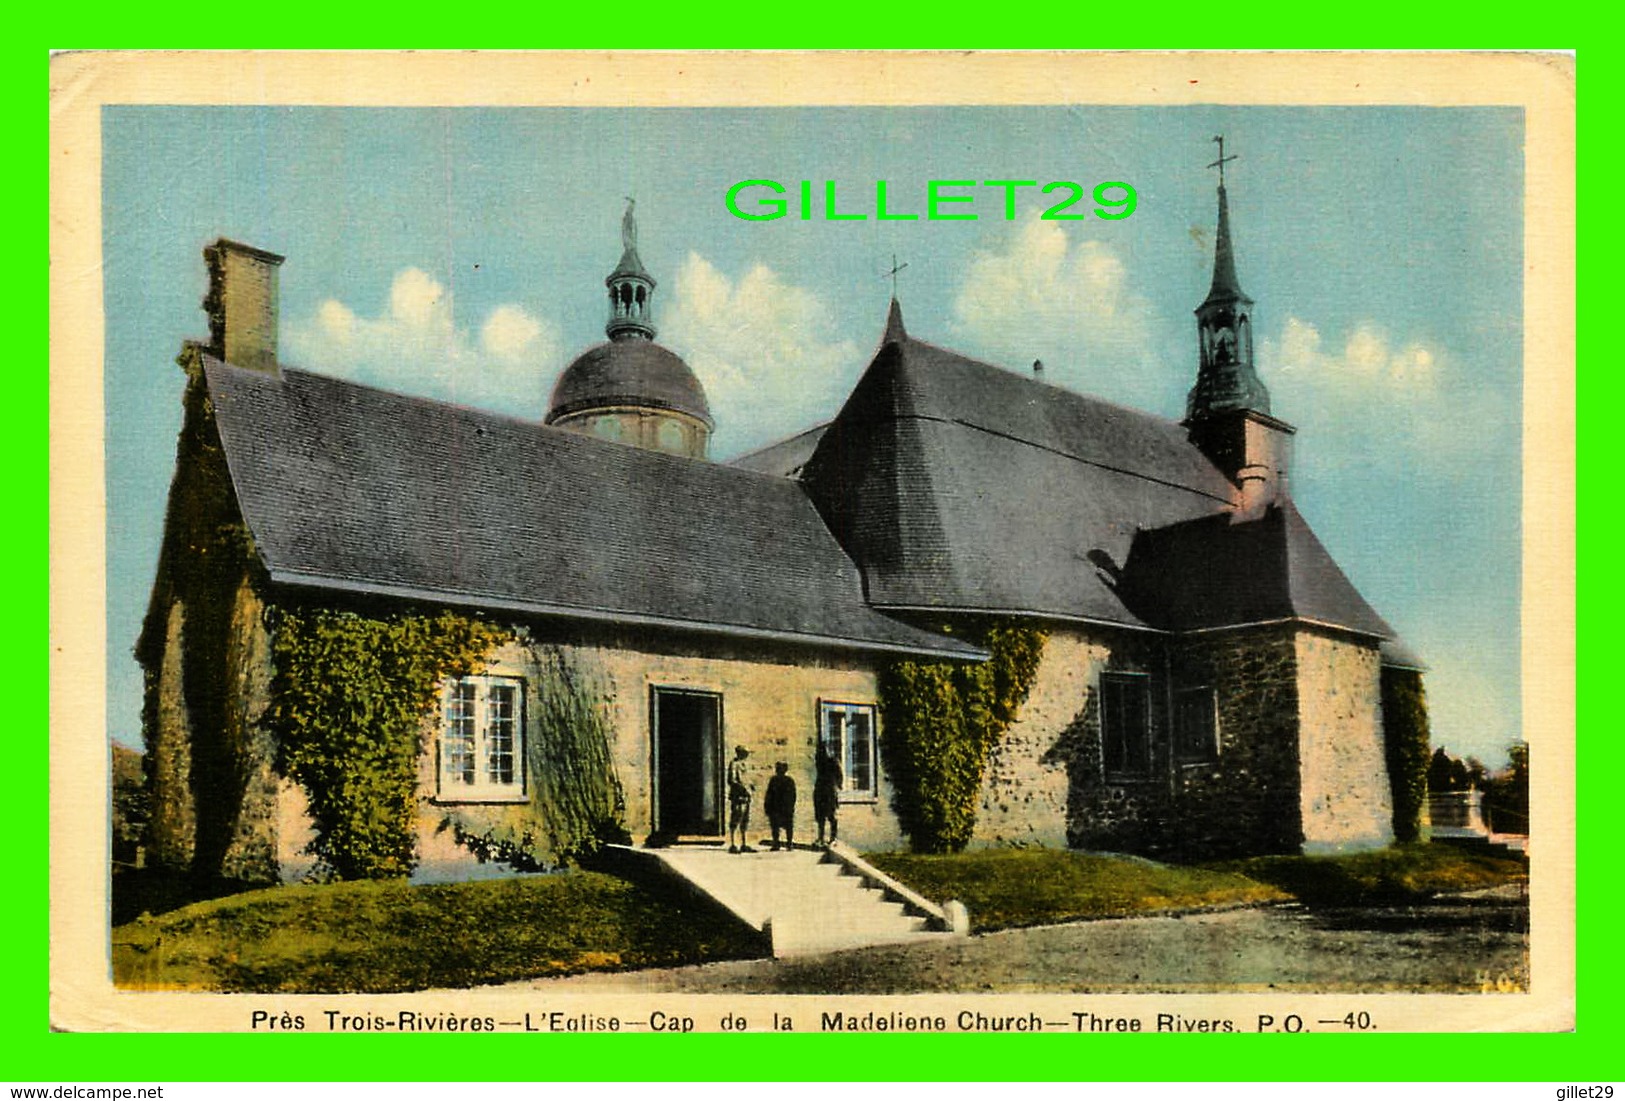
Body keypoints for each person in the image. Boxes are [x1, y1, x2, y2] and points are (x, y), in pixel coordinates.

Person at [727, 745, 755, 854]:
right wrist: (743, 788)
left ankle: (744, 843)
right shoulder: (734, 764)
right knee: (736, 818)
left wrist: (751, 786)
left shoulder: (745, 764)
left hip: (746, 796)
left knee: (745, 819)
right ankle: (733, 844)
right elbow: (732, 780)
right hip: (738, 796)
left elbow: (747, 779)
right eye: (744, 753)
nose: (746, 755)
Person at [814, 744, 842, 849]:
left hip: (829, 791)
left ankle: (833, 838)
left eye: (822, 750)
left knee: (831, 815)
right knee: (820, 816)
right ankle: (820, 838)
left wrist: (838, 786)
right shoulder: (819, 762)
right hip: (820, 791)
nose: (820, 753)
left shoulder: (833, 761)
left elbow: (839, 776)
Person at [764, 762, 797, 852]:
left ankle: (785, 843)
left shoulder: (786, 780)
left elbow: (793, 795)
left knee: (782, 826)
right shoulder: (776, 780)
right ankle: (781, 843)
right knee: (779, 826)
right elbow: (769, 794)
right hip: (780, 807)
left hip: (782, 807)